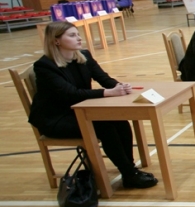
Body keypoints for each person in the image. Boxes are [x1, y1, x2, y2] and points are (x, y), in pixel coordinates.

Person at [28, 22, 158, 189]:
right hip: (56, 118)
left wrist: (119, 86)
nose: (79, 38)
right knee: (105, 127)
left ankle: (129, 170)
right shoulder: (45, 66)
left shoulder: (84, 56)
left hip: (81, 111)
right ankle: (129, 173)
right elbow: (71, 94)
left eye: (77, 34)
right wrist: (108, 92)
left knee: (120, 120)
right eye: (72, 35)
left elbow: (103, 78)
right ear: (56, 40)